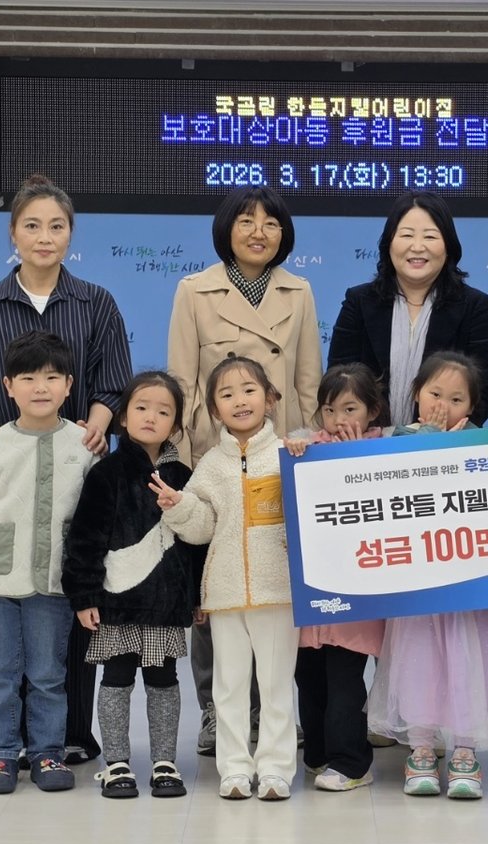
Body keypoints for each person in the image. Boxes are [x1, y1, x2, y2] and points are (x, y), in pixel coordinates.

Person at [0, 173, 132, 765]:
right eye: (32, 225)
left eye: (56, 226)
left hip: (75, 468)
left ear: (70, 234)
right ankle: (8, 743)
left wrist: (99, 418)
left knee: (69, 605)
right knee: (5, 627)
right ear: (13, 234)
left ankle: (66, 737)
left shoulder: (96, 302)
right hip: (6, 473)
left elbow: (114, 377)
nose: (44, 236)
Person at [166, 185, 321, 756]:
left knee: (276, 588)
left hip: (279, 459)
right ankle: (216, 711)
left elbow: (307, 382)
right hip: (216, 462)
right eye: (247, 221)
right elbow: (183, 383)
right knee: (217, 592)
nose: (259, 232)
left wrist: (306, 447)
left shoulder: (299, 291)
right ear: (226, 228)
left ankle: (276, 712)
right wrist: (184, 461)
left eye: (271, 222)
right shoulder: (194, 290)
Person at [0, 330, 98, 794]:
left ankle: (47, 752)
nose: (40, 387)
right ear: (8, 386)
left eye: (51, 377)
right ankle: (2, 754)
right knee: (0, 673)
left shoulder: (83, 445)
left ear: (69, 385)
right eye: (27, 378)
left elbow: (94, 519)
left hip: (54, 581)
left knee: (48, 673)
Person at [365, 351, 488, 799]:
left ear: (473, 406)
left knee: (471, 663)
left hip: (468, 586)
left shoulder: (486, 447)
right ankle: (422, 751)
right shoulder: (394, 440)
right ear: (415, 393)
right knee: (419, 663)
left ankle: (465, 752)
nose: (442, 406)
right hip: (417, 586)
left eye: (456, 398)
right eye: (434, 394)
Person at [151, 356, 298, 801]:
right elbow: (201, 528)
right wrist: (178, 506)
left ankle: (275, 769)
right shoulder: (212, 464)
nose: (240, 401)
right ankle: (233, 768)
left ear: (270, 399)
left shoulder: (288, 453)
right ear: (214, 410)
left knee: (275, 685)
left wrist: (305, 454)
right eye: (227, 394)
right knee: (229, 686)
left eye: (249, 390)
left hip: (279, 591)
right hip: (226, 592)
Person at [62, 371, 203, 799]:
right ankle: (116, 762)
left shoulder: (184, 476)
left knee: (164, 679)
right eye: (141, 408)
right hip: (117, 603)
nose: (150, 417)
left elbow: (196, 544)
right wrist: (84, 596)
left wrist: (196, 597)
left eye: (163, 411)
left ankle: (165, 762)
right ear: (123, 416)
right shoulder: (106, 474)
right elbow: (85, 540)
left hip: (165, 604)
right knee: (116, 678)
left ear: (175, 424)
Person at [284, 363, 389, 792]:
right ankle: (319, 754)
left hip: (356, 597)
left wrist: (356, 457)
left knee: (345, 680)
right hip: (311, 595)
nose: (338, 419)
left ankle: (352, 762)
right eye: (329, 410)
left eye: (350, 409)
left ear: (372, 410)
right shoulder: (308, 448)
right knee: (308, 677)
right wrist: (296, 447)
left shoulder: (386, 450)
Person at [328, 191, 488, 430]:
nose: (417, 247)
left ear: (448, 245)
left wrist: (453, 434)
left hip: (445, 442)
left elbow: (486, 386)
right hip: (368, 443)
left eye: (430, 236)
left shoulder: (475, 307)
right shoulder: (358, 302)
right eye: (407, 235)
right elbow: (339, 378)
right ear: (389, 243)